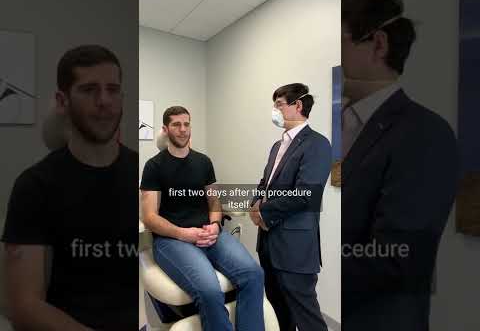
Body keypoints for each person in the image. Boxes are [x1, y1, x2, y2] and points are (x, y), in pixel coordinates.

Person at [341, 0, 458, 330]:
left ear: (377, 44)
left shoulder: (425, 133)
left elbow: (397, 257)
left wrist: (310, 260)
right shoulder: (342, 127)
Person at [1, 45, 138, 330]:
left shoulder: (142, 173)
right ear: (62, 101)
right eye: (89, 90)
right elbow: (24, 306)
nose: (104, 101)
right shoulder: (35, 186)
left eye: (113, 90)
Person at [140, 106, 265, 331]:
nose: (182, 129)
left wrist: (216, 225)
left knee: (254, 275)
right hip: (173, 240)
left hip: (209, 233)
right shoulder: (154, 167)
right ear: (165, 129)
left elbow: (214, 202)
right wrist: (184, 233)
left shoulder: (203, 162)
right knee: (209, 290)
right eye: (176, 125)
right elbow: (149, 217)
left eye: (186, 124)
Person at [249, 83, 332, 331]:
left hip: (295, 247)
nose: (274, 111)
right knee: (278, 311)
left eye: (278, 105)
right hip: (268, 243)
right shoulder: (277, 146)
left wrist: (264, 212)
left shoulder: (317, 144)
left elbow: (306, 194)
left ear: (298, 105)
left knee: (307, 316)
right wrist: (255, 203)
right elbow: (265, 183)